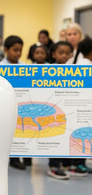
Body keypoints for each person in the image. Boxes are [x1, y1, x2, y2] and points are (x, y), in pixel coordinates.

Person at [46, 41, 81, 179]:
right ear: (53, 54)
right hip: (53, 113)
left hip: (68, 111)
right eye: (61, 53)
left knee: (67, 138)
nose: (65, 56)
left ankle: (66, 165)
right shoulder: (47, 70)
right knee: (55, 137)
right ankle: (54, 167)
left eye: (68, 53)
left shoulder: (74, 71)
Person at [0, 35, 31, 169]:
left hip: (23, 104)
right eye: (15, 50)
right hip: (7, 106)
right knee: (11, 131)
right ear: (6, 49)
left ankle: (27, 155)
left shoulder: (25, 67)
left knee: (25, 130)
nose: (18, 53)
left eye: (20, 50)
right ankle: (13, 158)